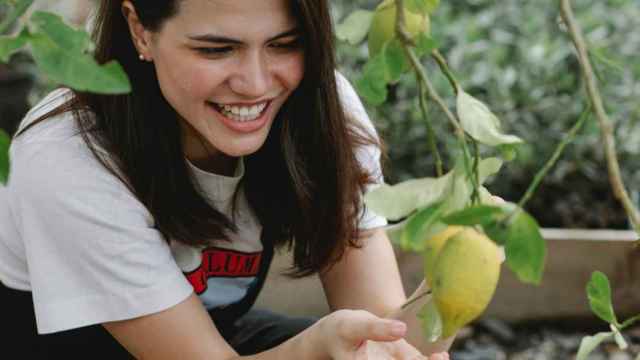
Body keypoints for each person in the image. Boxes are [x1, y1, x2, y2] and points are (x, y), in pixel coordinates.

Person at [0, 0, 454, 358]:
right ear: (140, 28)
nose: (256, 84)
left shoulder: (318, 110)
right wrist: (318, 348)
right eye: (216, 49)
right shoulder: (69, 152)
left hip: (212, 339)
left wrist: (457, 277)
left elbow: (389, 335)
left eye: (284, 43)